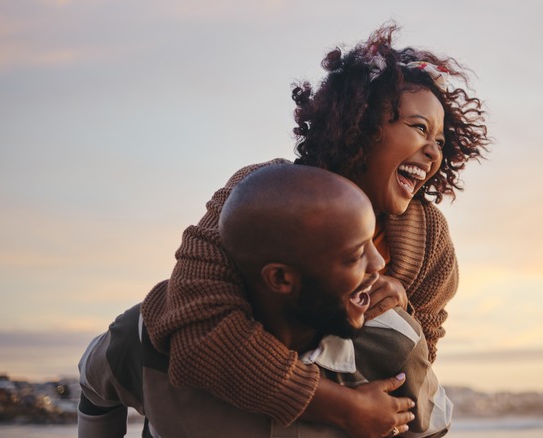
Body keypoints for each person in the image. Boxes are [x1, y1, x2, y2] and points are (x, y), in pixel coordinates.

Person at [141, 23, 489, 438]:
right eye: (418, 127)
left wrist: (403, 312)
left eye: (440, 140)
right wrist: (342, 407)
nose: (433, 151)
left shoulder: (429, 237)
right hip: (219, 410)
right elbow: (198, 330)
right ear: (360, 123)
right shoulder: (260, 194)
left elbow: (417, 364)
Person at [78, 165, 452, 437]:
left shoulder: (393, 344)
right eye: (356, 255)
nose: (381, 264)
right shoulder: (150, 335)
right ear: (281, 278)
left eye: (375, 241)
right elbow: (94, 386)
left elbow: (431, 428)